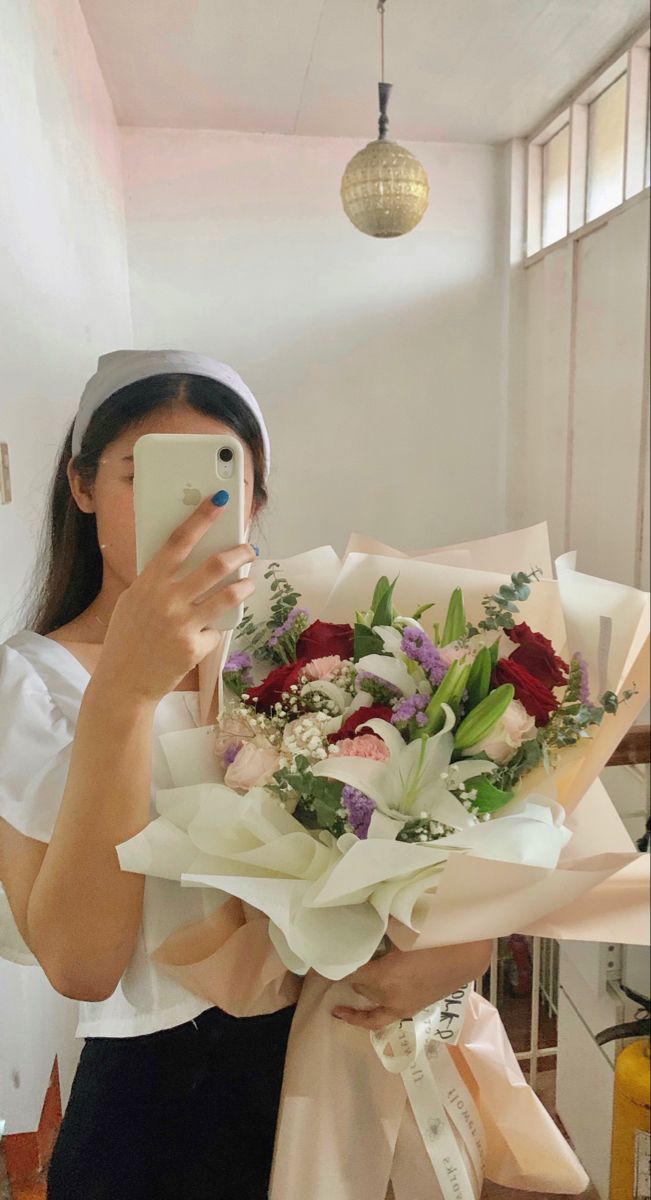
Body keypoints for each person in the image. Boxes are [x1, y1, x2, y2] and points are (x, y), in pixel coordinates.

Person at [0, 350, 491, 1199]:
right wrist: (123, 690)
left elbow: (433, 828)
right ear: (80, 487)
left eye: (223, 480)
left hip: (333, 1059)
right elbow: (81, 965)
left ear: (256, 500)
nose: (191, 512)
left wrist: (463, 946)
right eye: (142, 476)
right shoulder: (30, 684)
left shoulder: (325, 649)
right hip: (154, 1107)